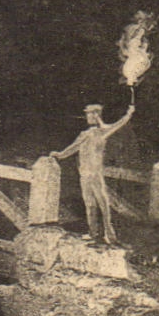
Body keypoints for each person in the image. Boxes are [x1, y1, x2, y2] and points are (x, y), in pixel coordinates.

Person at [51, 100, 135, 244]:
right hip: (84, 174)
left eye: (90, 114)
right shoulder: (84, 134)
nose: (88, 116)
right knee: (89, 204)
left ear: (97, 115)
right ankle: (93, 233)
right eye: (87, 114)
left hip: (95, 174)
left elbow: (120, 123)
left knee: (103, 203)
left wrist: (129, 113)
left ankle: (110, 234)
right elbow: (72, 148)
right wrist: (59, 154)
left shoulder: (104, 131)